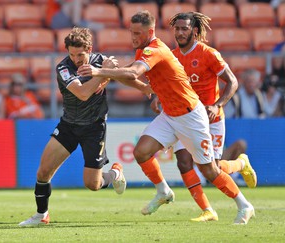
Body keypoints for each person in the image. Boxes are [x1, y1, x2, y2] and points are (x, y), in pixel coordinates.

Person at [77, 10, 255, 224]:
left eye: (137, 33)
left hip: (191, 117)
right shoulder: (145, 51)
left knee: (209, 170)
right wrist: (143, 88)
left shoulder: (156, 49)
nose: (133, 38)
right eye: (131, 33)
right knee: (141, 152)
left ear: (150, 32)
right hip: (170, 115)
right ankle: (164, 191)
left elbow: (133, 72)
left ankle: (244, 205)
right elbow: (135, 77)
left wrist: (99, 72)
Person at [18, 27, 146, 227]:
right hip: (69, 125)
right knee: (43, 172)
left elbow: (123, 76)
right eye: (72, 54)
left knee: (92, 184)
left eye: (80, 54)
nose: (76, 58)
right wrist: (103, 74)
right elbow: (83, 93)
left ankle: (114, 174)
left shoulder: (100, 60)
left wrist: (145, 88)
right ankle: (41, 214)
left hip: (94, 128)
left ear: (90, 49)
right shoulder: (64, 68)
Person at [146, 12, 257, 222]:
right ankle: (207, 210)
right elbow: (166, 83)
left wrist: (218, 105)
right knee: (184, 162)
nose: (179, 33)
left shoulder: (208, 54)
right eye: (176, 29)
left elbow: (232, 82)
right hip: (182, 116)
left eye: (184, 29)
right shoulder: (171, 56)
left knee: (212, 169)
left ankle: (241, 164)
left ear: (195, 31)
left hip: (210, 119)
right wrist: (158, 97)